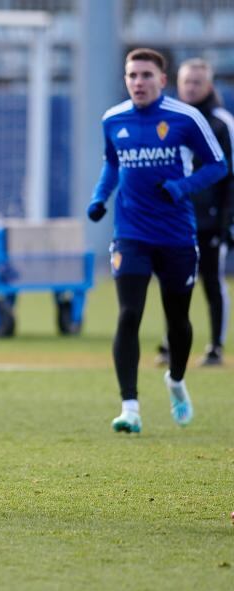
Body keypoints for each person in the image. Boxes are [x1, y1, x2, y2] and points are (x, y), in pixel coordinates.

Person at [87, 48, 227, 434]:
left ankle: (177, 381)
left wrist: (182, 188)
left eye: (146, 75)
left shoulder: (186, 118)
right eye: (132, 76)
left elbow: (219, 165)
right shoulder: (113, 119)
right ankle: (129, 407)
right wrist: (100, 198)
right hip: (130, 234)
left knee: (178, 319)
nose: (138, 82)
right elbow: (112, 164)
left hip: (177, 236)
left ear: (162, 80)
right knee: (129, 314)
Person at [155, 58, 233, 367]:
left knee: (211, 281)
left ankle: (215, 346)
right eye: (186, 82)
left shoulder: (221, 122)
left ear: (209, 86)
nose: (190, 87)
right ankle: (171, 342)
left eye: (197, 82)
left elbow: (230, 176)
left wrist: (228, 219)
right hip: (176, 220)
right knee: (173, 281)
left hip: (211, 219)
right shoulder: (170, 120)